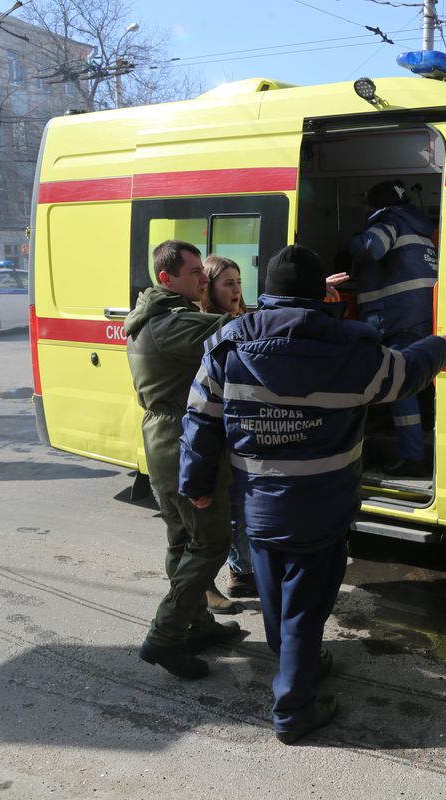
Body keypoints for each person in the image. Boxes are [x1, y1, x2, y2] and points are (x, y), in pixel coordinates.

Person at [179, 244, 446, 744]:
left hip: (259, 508)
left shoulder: (227, 344)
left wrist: (195, 484)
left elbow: (200, 419)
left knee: (278, 603)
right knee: (304, 610)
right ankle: (293, 711)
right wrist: (439, 345)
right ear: (319, 292)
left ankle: (298, 670)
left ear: (268, 291)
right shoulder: (354, 348)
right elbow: (406, 374)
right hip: (323, 508)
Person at [125, 240, 242, 681]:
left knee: (182, 542)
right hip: (184, 444)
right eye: (195, 272)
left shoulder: (154, 318)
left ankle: (197, 625)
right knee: (209, 544)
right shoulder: (173, 324)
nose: (202, 278)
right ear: (166, 278)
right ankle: (165, 636)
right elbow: (240, 331)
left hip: (166, 443)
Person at [348, 180, 438, 477]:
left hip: (396, 317)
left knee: (400, 386)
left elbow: (373, 248)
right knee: (417, 379)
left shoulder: (389, 221)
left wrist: (353, 241)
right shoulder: (422, 231)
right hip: (423, 315)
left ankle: (411, 457)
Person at [198, 255, 250, 614]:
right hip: (216, 429)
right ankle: (205, 586)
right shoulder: (203, 326)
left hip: (241, 428)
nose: (236, 290)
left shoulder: (245, 320)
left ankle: (241, 571)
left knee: (241, 506)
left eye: (238, 282)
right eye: (227, 283)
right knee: (216, 515)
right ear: (211, 288)